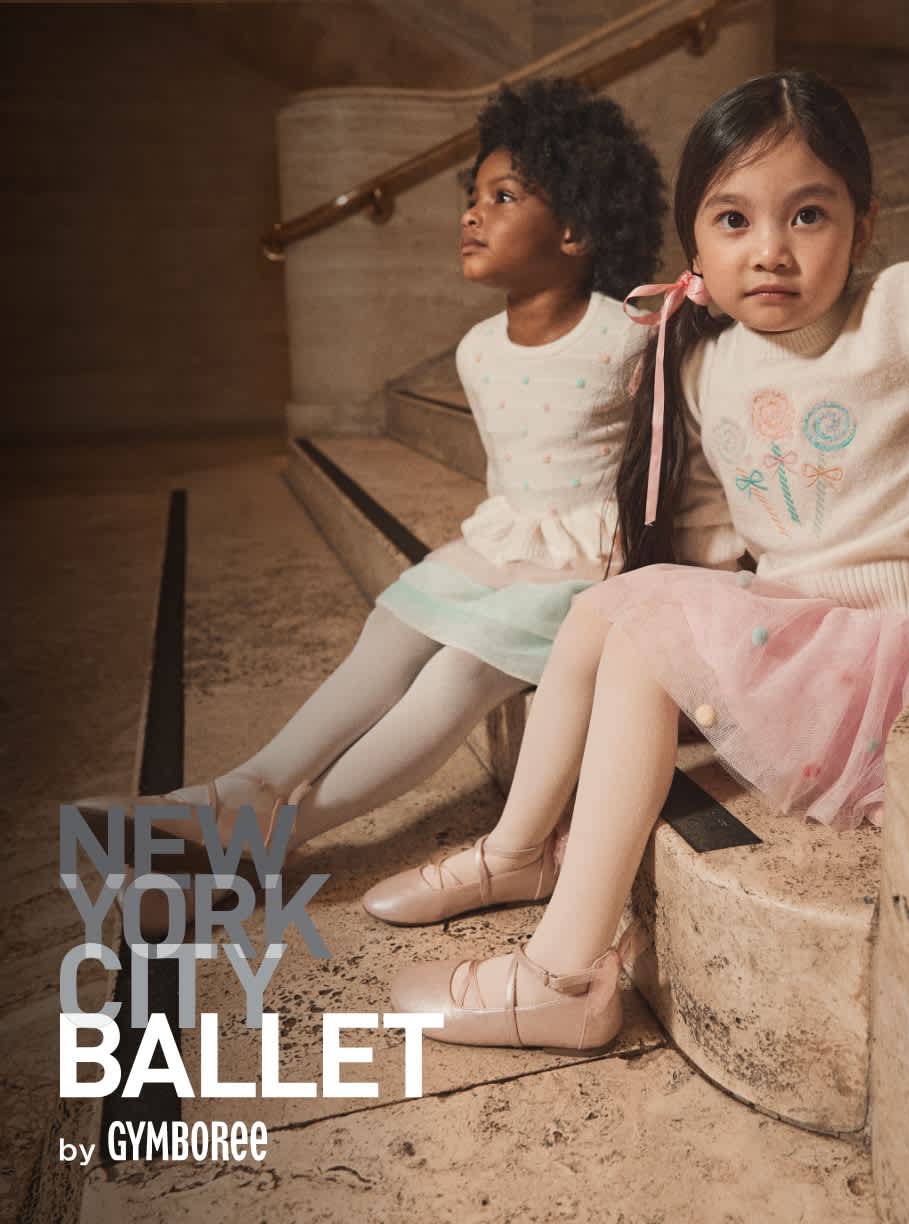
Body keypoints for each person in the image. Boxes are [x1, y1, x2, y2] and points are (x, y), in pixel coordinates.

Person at [381, 70, 909, 1053]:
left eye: (808, 215)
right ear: (693, 241)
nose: (769, 250)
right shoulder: (702, 359)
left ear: (864, 223)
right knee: (612, 609)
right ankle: (518, 852)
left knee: (644, 633)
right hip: (807, 643)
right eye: (732, 220)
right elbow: (708, 533)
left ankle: (560, 977)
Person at [75, 79, 687, 908]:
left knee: (457, 676)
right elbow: (510, 472)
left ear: (575, 229)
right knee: (393, 624)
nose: (471, 214)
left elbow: (669, 459)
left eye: (503, 197)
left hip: (587, 565)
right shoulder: (477, 349)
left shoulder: (629, 336)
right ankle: (250, 785)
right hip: (505, 542)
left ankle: (279, 833)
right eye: (473, 196)